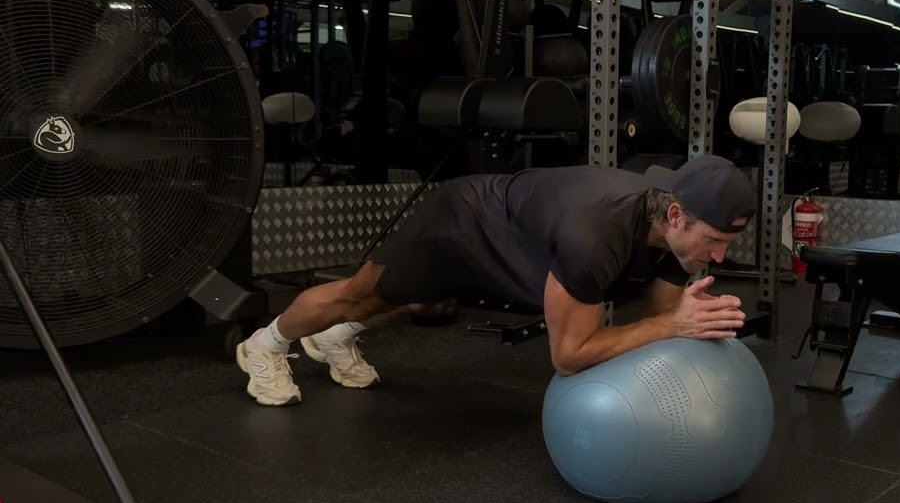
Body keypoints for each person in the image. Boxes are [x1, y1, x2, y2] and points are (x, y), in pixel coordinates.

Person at [235, 155, 759, 406]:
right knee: (359, 295)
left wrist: (681, 325)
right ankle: (265, 344)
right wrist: (673, 327)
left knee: (409, 304)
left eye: (728, 245)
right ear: (674, 216)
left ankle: (334, 339)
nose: (718, 256)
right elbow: (570, 356)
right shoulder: (596, 235)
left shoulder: (676, 235)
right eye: (714, 240)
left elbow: (661, 319)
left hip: (519, 242)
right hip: (461, 223)